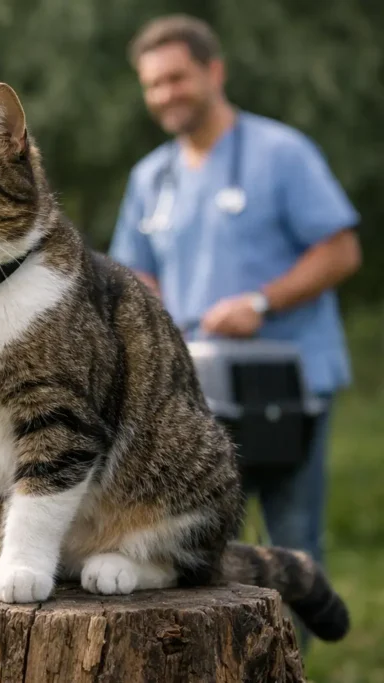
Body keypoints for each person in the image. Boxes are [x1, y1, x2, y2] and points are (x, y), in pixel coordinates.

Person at [109, 13, 361, 637]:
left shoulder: (281, 153)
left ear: (213, 71)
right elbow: (133, 277)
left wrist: (262, 302)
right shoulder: (151, 179)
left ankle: (293, 663)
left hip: (288, 387)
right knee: (203, 552)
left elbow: (340, 250)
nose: (165, 94)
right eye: (153, 84)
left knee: (293, 540)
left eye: (177, 78)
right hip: (196, 396)